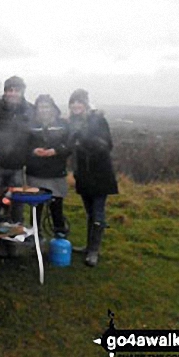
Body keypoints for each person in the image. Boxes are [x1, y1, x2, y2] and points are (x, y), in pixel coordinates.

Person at [68, 88, 119, 267]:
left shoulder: (98, 120)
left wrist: (85, 139)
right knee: (90, 212)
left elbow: (107, 145)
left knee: (98, 211)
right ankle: (88, 246)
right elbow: (71, 148)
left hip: (100, 173)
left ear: (86, 104)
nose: (76, 105)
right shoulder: (72, 123)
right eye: (73, 102)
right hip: (83, 173)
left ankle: (94, 251)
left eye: (79, 102)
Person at [0, 76, 35, 223]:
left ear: (22, 92)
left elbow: (34, 135)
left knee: (17, 202)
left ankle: (15, 232)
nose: (13, 93)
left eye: (16, 90)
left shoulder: (30, 110)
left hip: (18, 166)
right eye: (10, 90)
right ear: (5, 92)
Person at [25, 94, 71, 236]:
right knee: (36, 209)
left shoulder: (63, 124)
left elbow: (70, 146)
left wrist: (56, 151)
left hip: (56, 173)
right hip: (35, 173)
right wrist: (33, 151)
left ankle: (59, 238)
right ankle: (35, 239)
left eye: (47, 106)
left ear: (53, 108)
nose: (44, 110)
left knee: (56, 208)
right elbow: (23, 146)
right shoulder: (30, 125)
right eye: (41, 107)